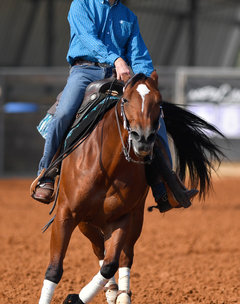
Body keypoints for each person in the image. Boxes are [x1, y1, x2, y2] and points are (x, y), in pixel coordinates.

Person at [31, 0, 197, 212]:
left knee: (155, 117)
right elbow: (87, 39)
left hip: (121, 75)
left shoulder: (128, 16)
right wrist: (116, 59)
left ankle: (165, 186)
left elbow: (138, 53)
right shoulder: (80, 5)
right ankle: (46, 173)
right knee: (63, 113)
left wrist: (145, 79)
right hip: (85, 72)